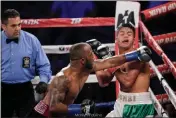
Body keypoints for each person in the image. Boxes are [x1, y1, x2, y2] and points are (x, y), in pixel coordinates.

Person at [27, 42, 151, 117]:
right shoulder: (63, 79)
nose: (94, 56)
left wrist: (135, 54)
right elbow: (53, 107)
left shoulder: (86, 67)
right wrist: (81, 109)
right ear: (82, 60)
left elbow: (109, 62)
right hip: (41, 115)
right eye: (91, 54)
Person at [87, 23, 155, 118]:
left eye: (129, 33)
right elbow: (103, 81)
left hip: (138, 107)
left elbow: (127, 82)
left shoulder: (138, 56)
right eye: (122, 33)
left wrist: (108, 60)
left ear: (134, 40)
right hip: (121, 103)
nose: (125, 35)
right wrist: (95, 57)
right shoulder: (115, 59)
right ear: (116, 39)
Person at [1, 9, 52, 118]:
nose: (17, 28)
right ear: (3, 26)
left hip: (24, 90)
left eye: (19, 24)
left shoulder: (31, 40)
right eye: (13, 26)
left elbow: (44, 65)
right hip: (2, 90)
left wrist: (43, 81)